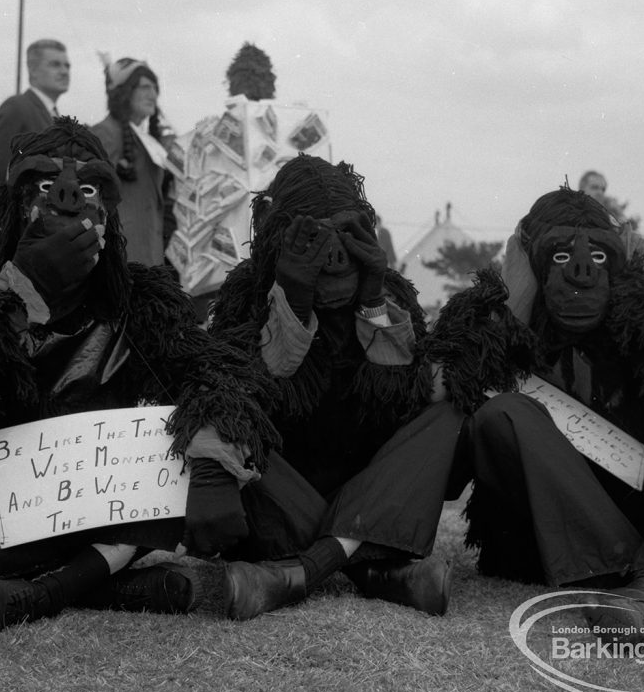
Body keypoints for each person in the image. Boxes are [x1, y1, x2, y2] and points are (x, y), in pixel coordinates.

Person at [0, 118, 279, 635]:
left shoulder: (139, 298)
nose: (65, 202)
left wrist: (213, 467)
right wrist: (19, 293)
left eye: (85, 190)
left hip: (101, 510)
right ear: (15, 205)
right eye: (44, 187)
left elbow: (216, 374)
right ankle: (95, 583)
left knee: (215, 438)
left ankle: (53, 587)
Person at [430, 185, 644, 646]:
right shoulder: (499, 317)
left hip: (633, 511)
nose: (584, 274)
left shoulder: (637, 322)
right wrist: (510, 307)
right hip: (533, 537)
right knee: (504, 414)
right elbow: (438, 393)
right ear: (531, 260)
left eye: (600, 259)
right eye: (562, 257)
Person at [201, 155, 469, 621]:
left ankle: (303, 571)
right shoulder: (245, 294)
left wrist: (371, 303)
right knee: (229, 420)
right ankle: (371, 570)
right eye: (313, 235)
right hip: (287, 501)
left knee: (446, 415)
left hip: (365, 490)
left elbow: (402, 404)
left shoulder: (390, 295)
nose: (333, 253)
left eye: (346, 233)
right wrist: (293, 303)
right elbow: (241, 399)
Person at [0, 39, 70, 233]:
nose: (64, 71)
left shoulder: (53, 116)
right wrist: (4, 227)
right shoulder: (18, 108)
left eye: (67, 65)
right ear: (32, 70)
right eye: (55, 64)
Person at [91, 57, 176, 267]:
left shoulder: (147, 139)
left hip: (148, 255)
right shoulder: (105, 133)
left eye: (155, 88)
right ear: (124, 92)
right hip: (121, 258)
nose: (153, 95)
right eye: (145, 87)